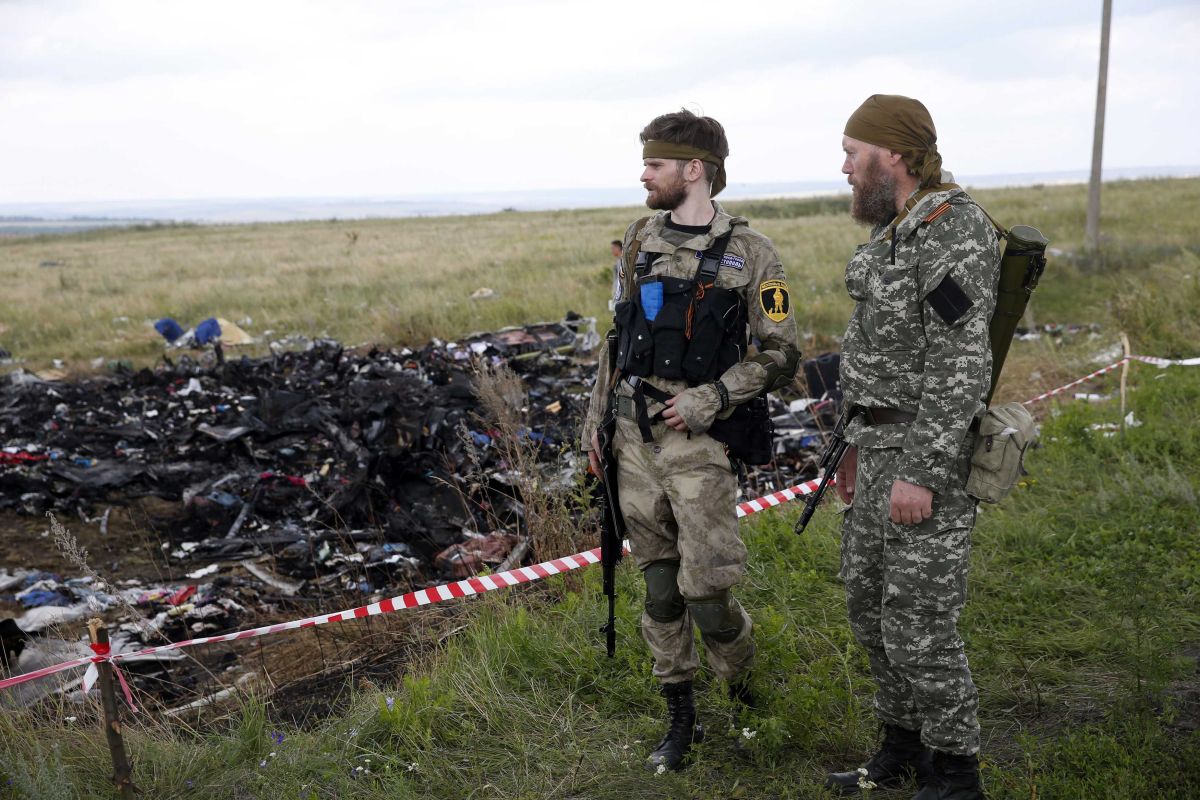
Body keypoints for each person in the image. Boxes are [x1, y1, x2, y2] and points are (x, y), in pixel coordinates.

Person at [582, 109, 800, 772]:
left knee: (707, 592)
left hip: (700, 445)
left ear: (694, 169)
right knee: (660, 589)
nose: (644, 173)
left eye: (655, 163)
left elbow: (782, 353)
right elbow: (617, 339)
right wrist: (593, 424)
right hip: (632, 438)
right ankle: (680, 715)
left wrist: (713, 397)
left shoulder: (753, 253)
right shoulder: (639, 237)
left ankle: (740, 683)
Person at [824, 95, 1000, 800]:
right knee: (869, 605)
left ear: (891, 155)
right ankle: (901, 748)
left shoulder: (951, 230)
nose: (843, 167)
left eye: (851, 151)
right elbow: (876, 356)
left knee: (920, 622)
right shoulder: (892, 232)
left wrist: (923, 472)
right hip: (876, 448)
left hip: (924, 455)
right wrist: (851, 449)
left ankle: (956, 774)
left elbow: (962, 364)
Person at [608, 239, 623, 311]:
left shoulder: (622, 260)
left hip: (621, 294)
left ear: (618, 248)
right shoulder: (618, 261)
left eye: (613, 248)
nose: (612, 251)